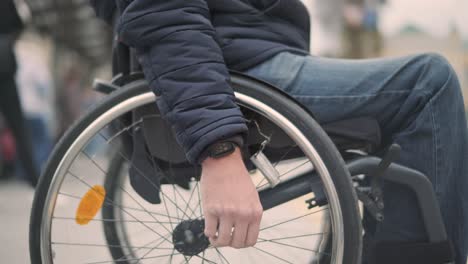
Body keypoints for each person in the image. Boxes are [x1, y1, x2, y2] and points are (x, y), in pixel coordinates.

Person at [90, 1, 468, 262]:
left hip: (248, 51)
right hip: (236, 62)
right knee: (428, 85)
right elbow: (165, 16)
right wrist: (217, 148)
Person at [0, 0, 39, 186]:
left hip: (5, 68)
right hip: (5, 68)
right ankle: (35, 179)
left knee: (18, 128)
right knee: (18, 128)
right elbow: (21, 23)